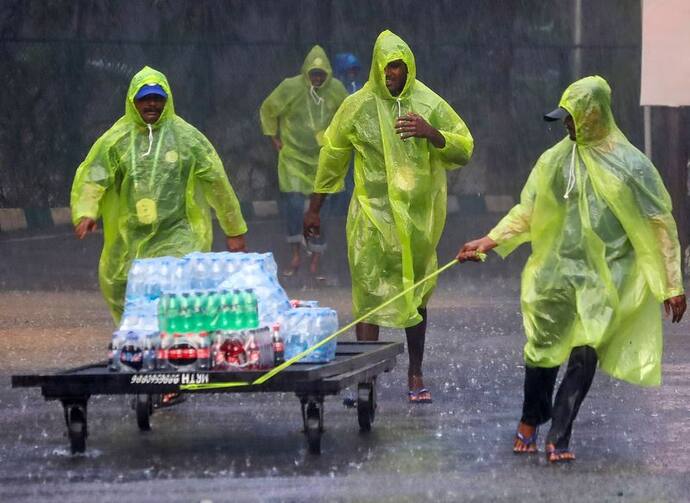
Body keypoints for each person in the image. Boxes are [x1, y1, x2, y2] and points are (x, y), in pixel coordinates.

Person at [457, 76, 686, 462]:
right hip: (556, 272)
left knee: (585, 352)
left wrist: (671, 283)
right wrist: (489, 240)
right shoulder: (555, 161)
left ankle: (558, 435)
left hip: (605, 278)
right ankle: (531, 418)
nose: (567, 126)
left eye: (572, 118)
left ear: (594, 115)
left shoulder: (630, 165)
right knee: (542, 350)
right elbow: (529, 209)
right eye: (564, 119)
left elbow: (658, 223)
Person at [304, 30, 474, 403]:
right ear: (376, 69)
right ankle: (367, 380)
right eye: (387, 67)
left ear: (408, 67)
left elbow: (464, 146)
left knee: (417, 295)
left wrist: (433, 134)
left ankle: (415, 372)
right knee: (368, 294)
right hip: (371, 216)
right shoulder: (357, 106)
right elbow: (332, 155)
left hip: (417, 218)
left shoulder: (427, 102)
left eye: (398, 66)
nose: (392, 74)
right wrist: (314, 207)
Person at [72, 66, 248, 324]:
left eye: (157, 98)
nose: (152, 104)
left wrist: (234, 230)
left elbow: (217, 183)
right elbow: (94, 177)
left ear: (167, 100)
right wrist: (86, 211)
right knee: (120, 286)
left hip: (179, 231)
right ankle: (138, 341)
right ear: (133, 101)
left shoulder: (188, 139)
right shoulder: (115, 141)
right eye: (145, 98)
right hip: (130, 235)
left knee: (174, 287)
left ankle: (176, 345)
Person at [260, 45, 348, 279]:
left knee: (321, 211)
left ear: (327, 73)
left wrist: (346, 143)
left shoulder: (336, 90)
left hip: (324, 159)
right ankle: (296, 254)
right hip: (295, 159)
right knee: (294, 206)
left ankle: (316, 260)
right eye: (313, 74)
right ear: (306, 72)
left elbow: (351, 114)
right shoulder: (291, 87)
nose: (317, 78)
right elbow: (269, 108)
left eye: (321, 74)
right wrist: (273, 138)